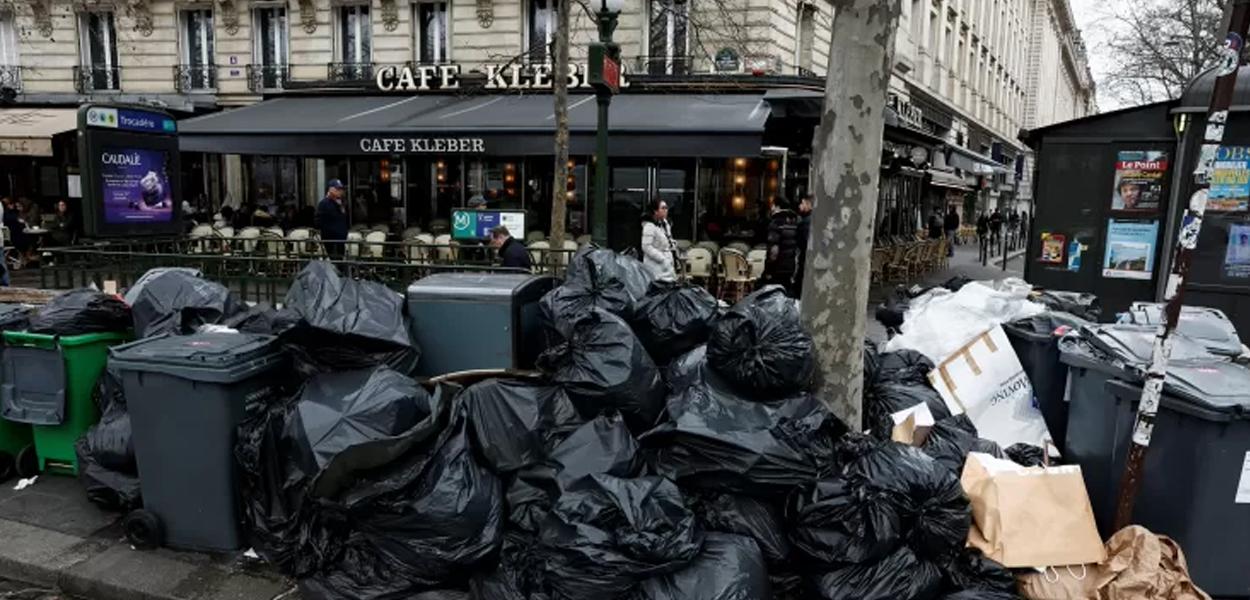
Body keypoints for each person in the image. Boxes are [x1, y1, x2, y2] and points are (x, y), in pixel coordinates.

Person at [764, 196, 801, 295]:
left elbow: (774, 250)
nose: (771, 208)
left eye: (772, 205)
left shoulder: (776, 222)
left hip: (777, 267)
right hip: (791, 266)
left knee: (774, 295)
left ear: (777, 206)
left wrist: (768, 268)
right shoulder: (795, 221)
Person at [640, 198, 677, 282]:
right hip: (655, 267)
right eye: (663, 208)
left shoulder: (665, 224)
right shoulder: (649, 226)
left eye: (666, 208)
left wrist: (672, 244)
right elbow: (646, 247)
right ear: (655, 211)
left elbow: (666, 239)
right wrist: (662, 258)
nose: (666, 210)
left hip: (667, 266)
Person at [316, 179, 349, 258]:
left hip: (341, 241)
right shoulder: (324, 204)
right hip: (331, 241)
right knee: (334, 263)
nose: (340, 191)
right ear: (331, 189)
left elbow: (343, 219)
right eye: (338, 189)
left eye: (341, 189)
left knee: (341, 263)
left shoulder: (340, 203)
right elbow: (318, 222)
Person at [795, 195, 813, 296]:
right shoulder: (816, 220)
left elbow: (804, 243)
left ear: (809, 205)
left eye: (802, 203)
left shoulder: (806, 222)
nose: (800, 206)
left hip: (805, 260)